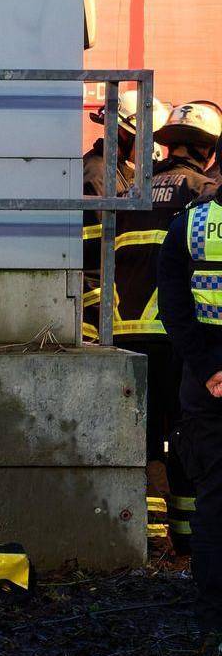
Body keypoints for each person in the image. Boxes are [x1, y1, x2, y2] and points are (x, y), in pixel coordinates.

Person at [115, 100, 222, 556]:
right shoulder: (201, 196)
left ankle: (143, 534)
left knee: (139, 440)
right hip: (177, 338)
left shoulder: (133, 190)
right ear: (208, 150)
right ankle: (185, 536)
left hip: (123, 334)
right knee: (184, 440)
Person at [157, 171, 222, 656]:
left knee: (215, 508)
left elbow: (175, 309)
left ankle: (214, 627)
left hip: (208, 389)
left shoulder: (191, 226)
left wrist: (209, 371)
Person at [83, 90, 170, 341]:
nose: (150, 146)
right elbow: (94, 254)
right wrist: (102, 314)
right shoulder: (98, 175)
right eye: (145, 138)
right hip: (94, 317)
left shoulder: (119, 173)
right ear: (122, 133)